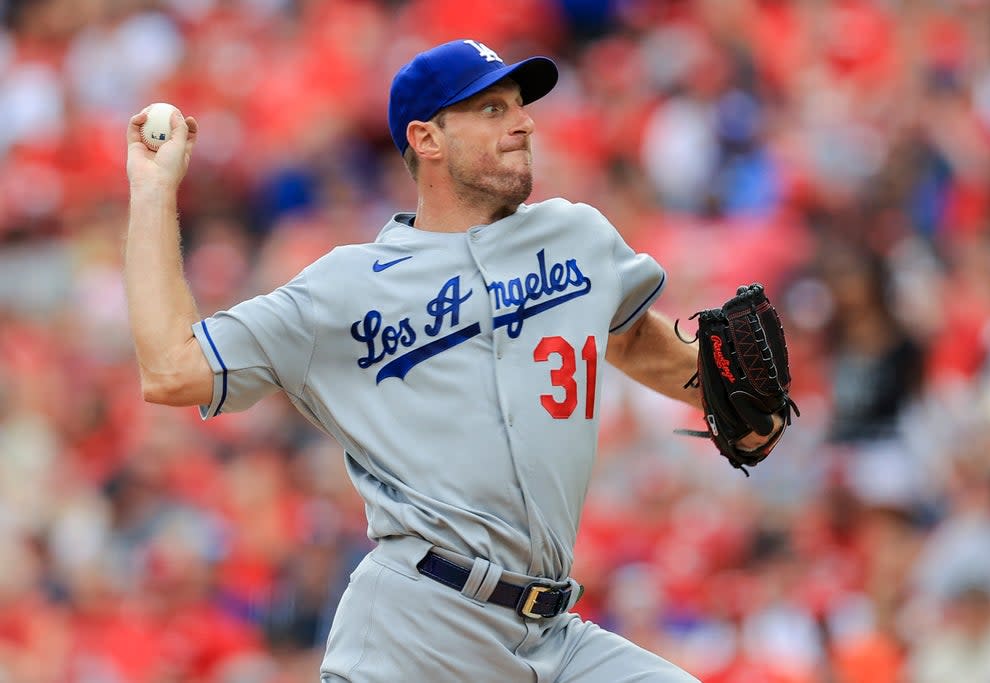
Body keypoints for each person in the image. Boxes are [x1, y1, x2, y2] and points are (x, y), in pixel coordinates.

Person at [124, 38, 780, 683]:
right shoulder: (347, 286)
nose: (522, 123)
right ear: (428, 138)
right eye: (491, 110)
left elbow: (630, 338)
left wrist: (718, 393)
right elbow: (172, 369)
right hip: (418, 630)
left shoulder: (576, 235)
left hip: (553, 628)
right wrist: (153, 192)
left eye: (520, 106)